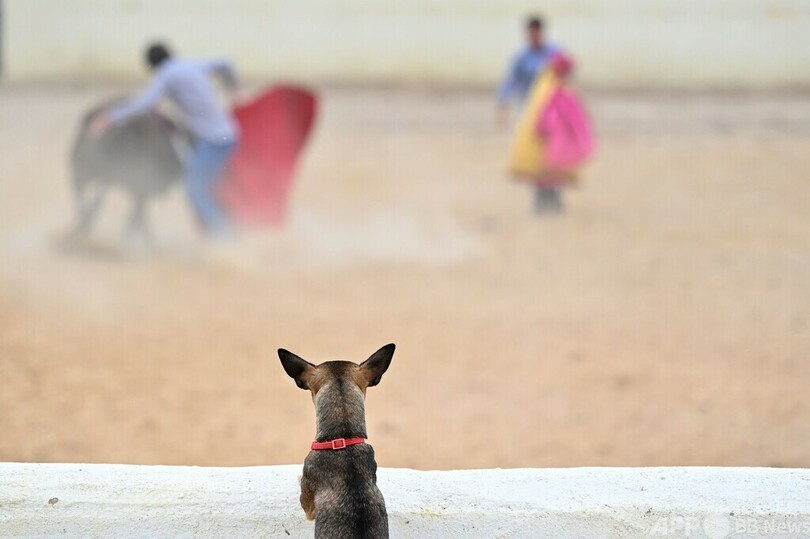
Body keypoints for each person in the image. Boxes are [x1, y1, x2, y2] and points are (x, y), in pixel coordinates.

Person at [92, 43, 240, 238]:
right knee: (203, 187)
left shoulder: (166, 75)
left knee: (195, 190)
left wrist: (109, 117)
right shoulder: (191, 65)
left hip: (214, 141)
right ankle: (223, 231)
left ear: (152, 67)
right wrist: (231, 85)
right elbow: (224, 62)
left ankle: (225, 239)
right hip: (227, 134)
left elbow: (143, 104)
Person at [498, 16, 565, 215]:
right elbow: (511, 82)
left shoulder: (554, 53)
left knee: (553, 153)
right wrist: (503, 103)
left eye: (536, 32)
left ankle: (555, 195)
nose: (533, 36)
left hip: (553, 112)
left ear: (541, 32)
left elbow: (567, 75)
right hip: (531, 114)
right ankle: (540, 197)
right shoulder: (521, 57)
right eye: (530, 32)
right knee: (536, 155)